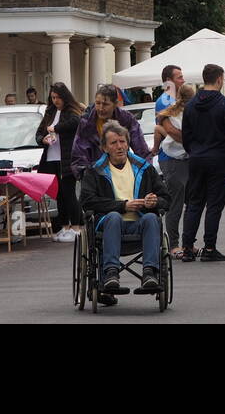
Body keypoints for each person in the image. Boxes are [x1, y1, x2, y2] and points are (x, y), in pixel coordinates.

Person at [78, 121, 168, 296]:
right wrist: (122, 206)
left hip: (139, 224)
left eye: (122, 142)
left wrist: (154, 202)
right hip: (108, 227)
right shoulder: (95, 171)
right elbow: (87, 201)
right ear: (104, 147)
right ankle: (111, 273)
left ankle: (149, 274)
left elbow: (166, 199)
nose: (119, 147)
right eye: (113, 143)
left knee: (151, 218)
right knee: (114, 217)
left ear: (128, 143)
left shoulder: (145, 168)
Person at [180, 63, 225, 262]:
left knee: (194, 203)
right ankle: (209, 247)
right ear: (220, 79)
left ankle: (187, 247)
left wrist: (193, 151)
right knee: (214, 205)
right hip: (218, 158)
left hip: (196, 158)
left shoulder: (190, 105)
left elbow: (186, 135)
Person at [36, 82, 84, 241]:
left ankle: (76, 228)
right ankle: (64, 227)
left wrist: (56, 128)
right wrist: (43, 139)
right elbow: (39, 132)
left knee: (69, 193)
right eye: (53, 97)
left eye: (58, 97)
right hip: (51, 158)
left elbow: (75, 122)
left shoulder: (71, 111)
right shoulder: (49, 112)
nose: (55, 101)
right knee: (59, 195)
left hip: (67, 158)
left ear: (65, 97)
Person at [70, 84, 151, 177]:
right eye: (97, 103)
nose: (100, 108)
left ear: (115, 104)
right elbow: (79, 154)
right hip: (95, 175)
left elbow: (142, 150)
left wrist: (146, 174)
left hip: (123, 172)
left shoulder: (126, 119)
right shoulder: (86, 122)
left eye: (105, 104)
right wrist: (85, 175)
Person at [156, 83, 195, 257]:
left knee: (189, 204)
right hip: (174, 160)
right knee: (177, 204)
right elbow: (174, 133)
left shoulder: (180, 112)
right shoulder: (172, 111)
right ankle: (174, 244)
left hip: (183, 159)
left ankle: (185, 243)